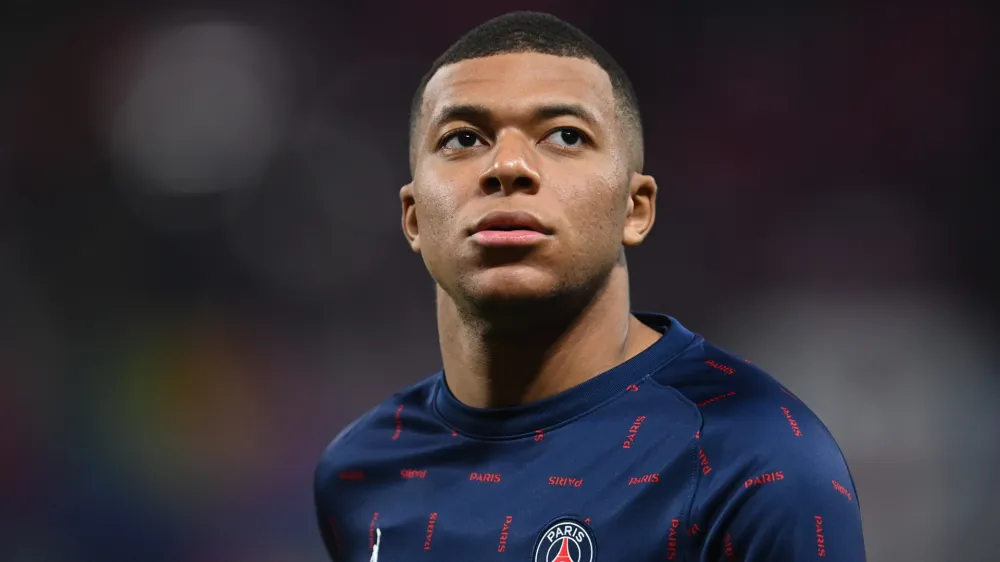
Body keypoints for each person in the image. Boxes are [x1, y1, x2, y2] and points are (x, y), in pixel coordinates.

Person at [314, 11, 866, 562]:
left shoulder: (755, 458)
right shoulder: (359, 471)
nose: (508, 165)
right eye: (464, 138)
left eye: (565, 135)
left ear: (636, 208)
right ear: (413, 217)